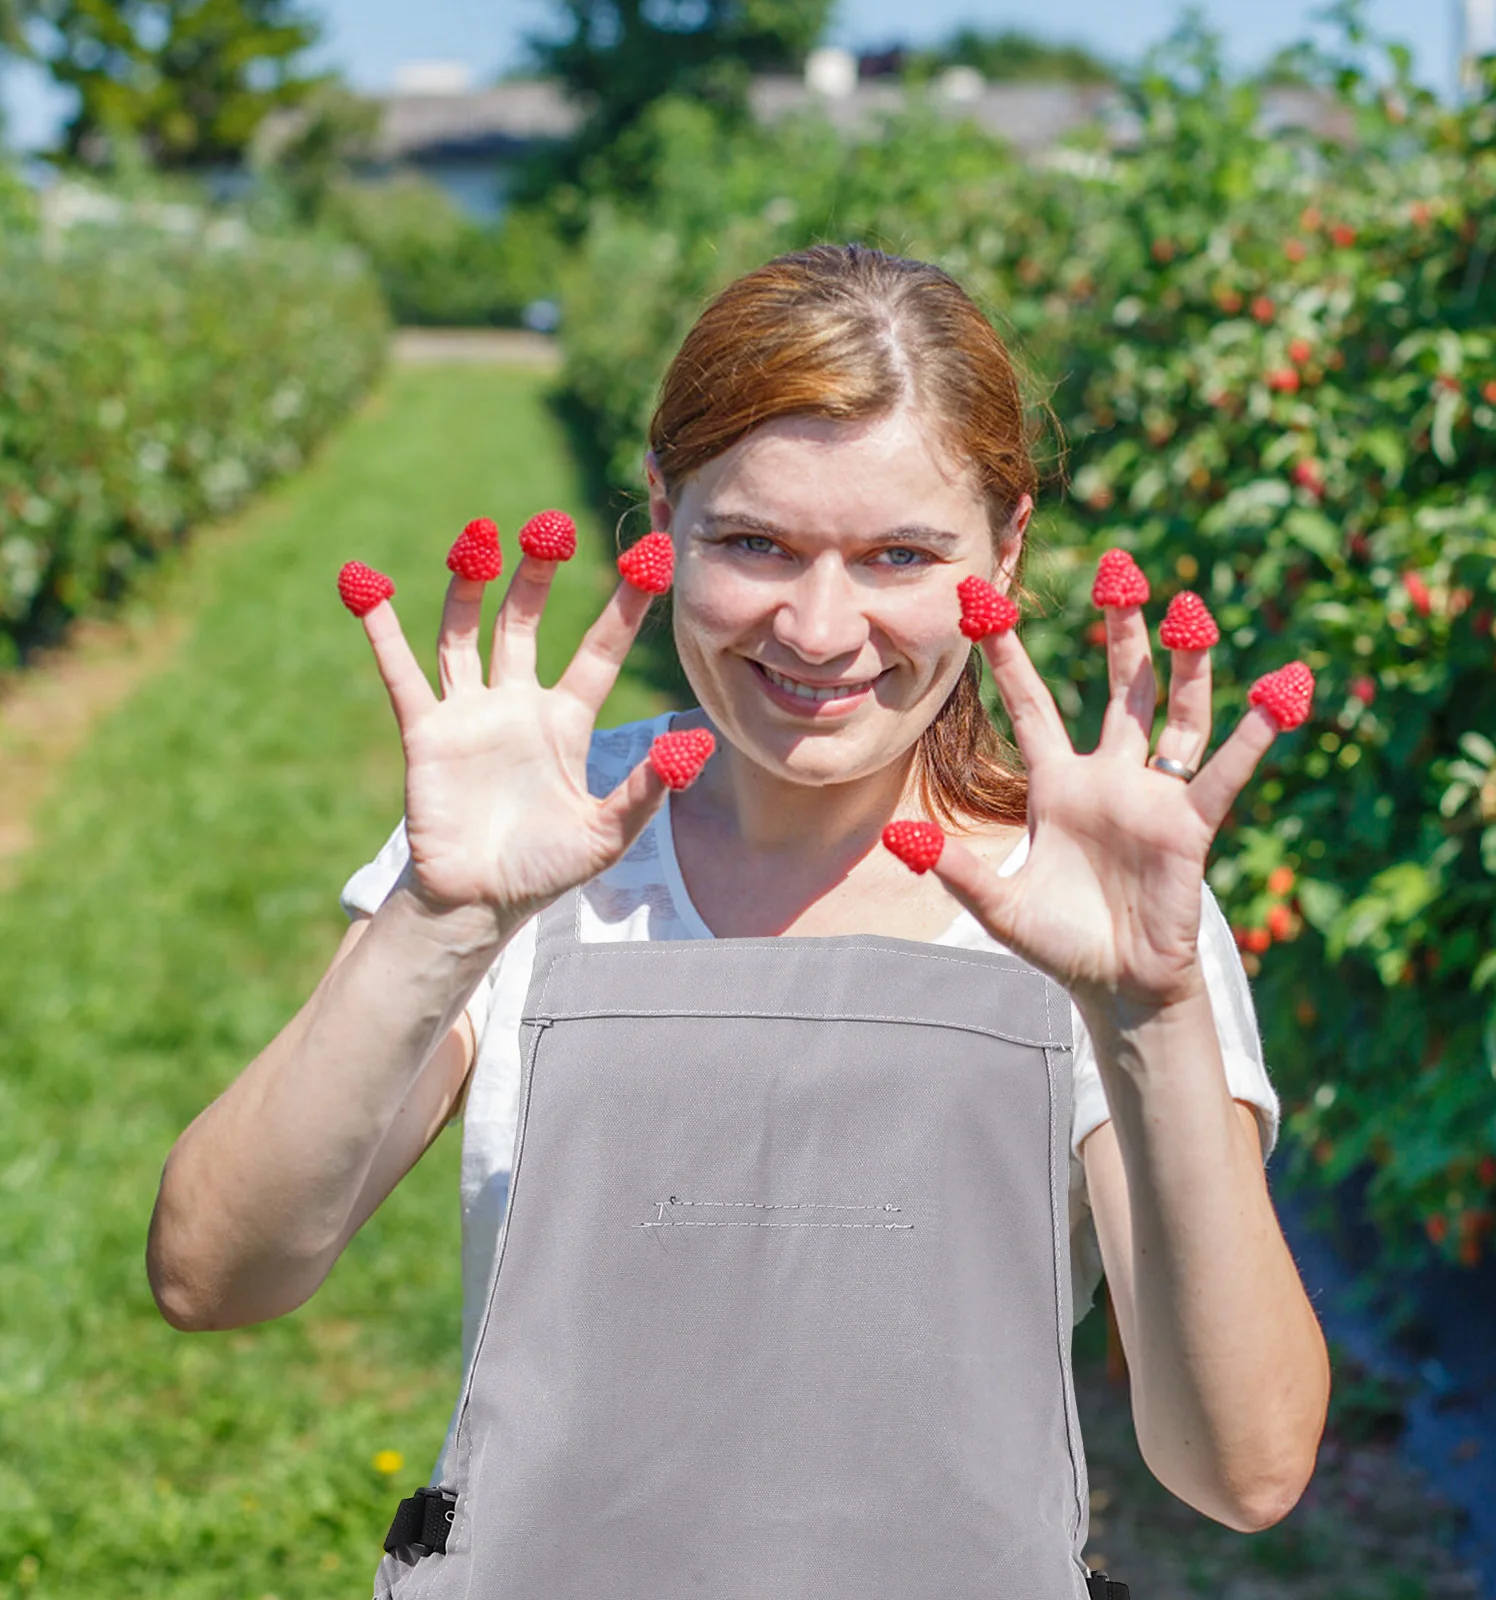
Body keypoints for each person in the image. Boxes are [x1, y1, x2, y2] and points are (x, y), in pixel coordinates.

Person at [147, 243, 1330, 1599]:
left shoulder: (1087, 898)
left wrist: (1152, 1015)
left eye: (901, 554)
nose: (821, 631)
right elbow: (216, 1273)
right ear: (660, 515)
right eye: (756, 542)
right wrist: (440, 916)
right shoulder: (544, 832)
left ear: (1006, 551)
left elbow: (1240, 1471)